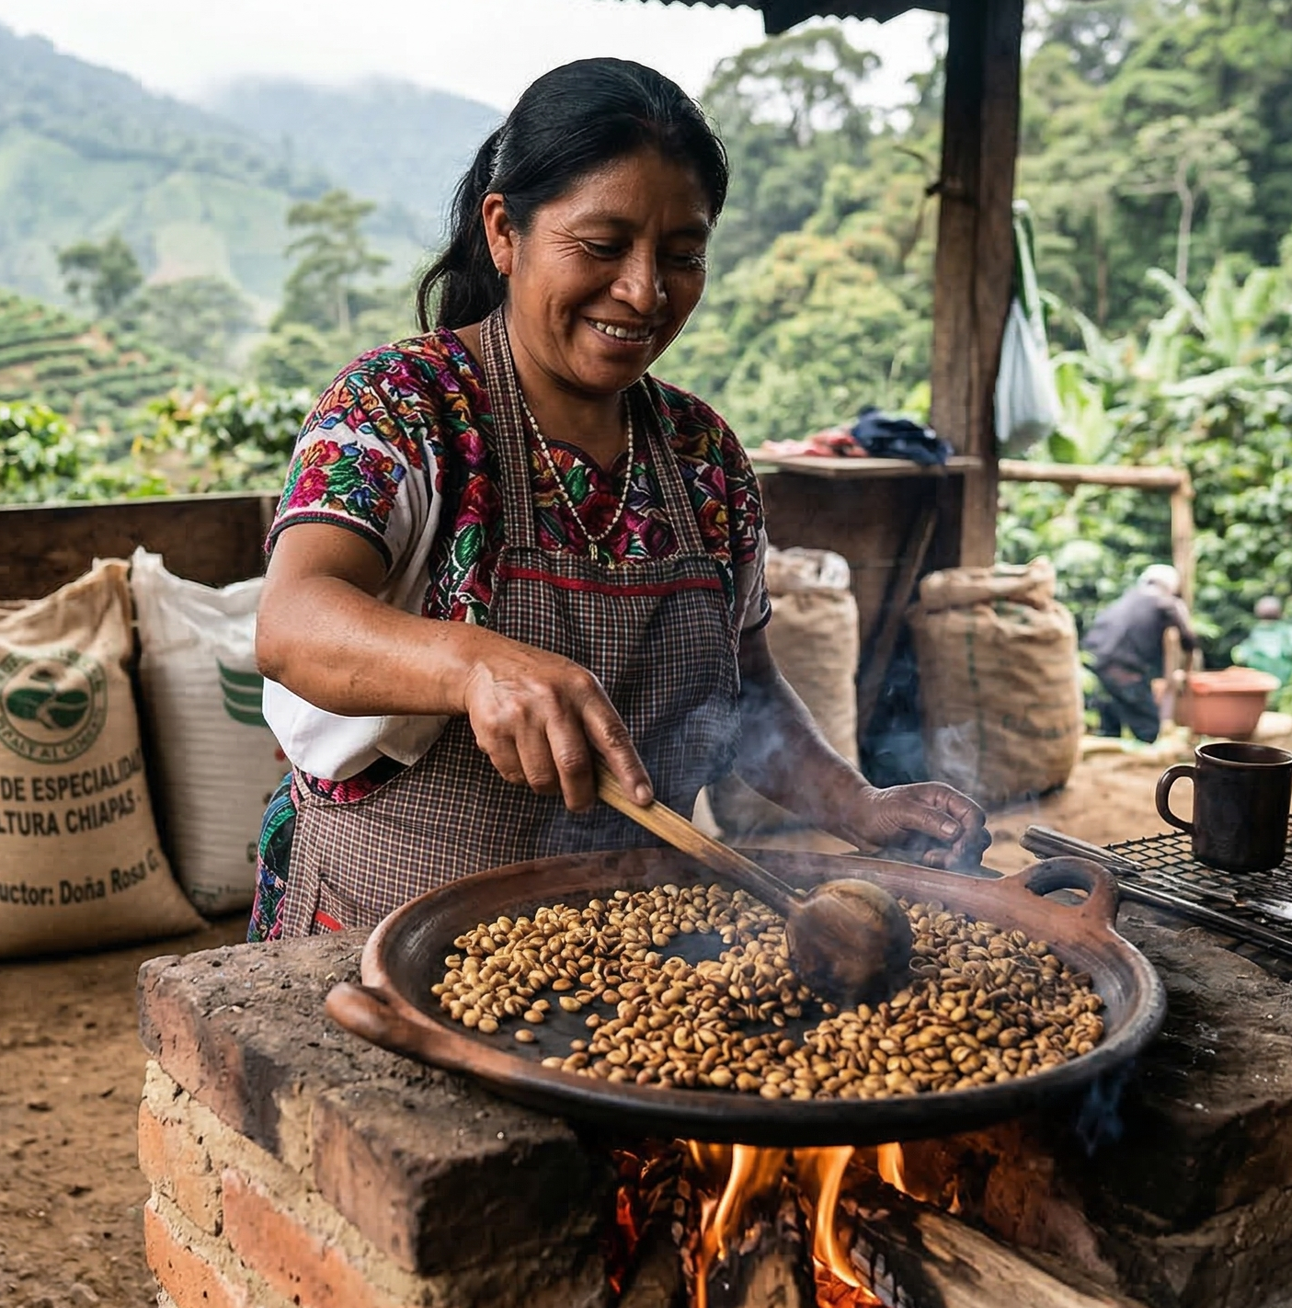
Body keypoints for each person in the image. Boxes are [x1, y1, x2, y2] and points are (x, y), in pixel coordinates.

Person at [247, 60, 988, 942]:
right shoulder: (404, 404)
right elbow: (293, 621)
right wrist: (474, 663)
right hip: (383, 936)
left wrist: (857, 806)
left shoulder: (703, 455)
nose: (645, 290)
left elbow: (745, 687)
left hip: (638, 952)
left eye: (682, 255)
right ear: (504, 232)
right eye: (602, 247)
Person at [1083, 564, 1199, 745]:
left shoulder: (1126, 599)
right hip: (1124, 670)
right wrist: (1186, 671)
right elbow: (1189, 640)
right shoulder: (1167, 602)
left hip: (1094, 664)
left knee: (1109, 730)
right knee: (1149, 728)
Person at [1231, 596, 1292, 691]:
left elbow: (1240, 656)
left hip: (1259, 686)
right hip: (1285, 685)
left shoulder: (1255, 633)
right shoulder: (1291, 631)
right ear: (1280, 613)